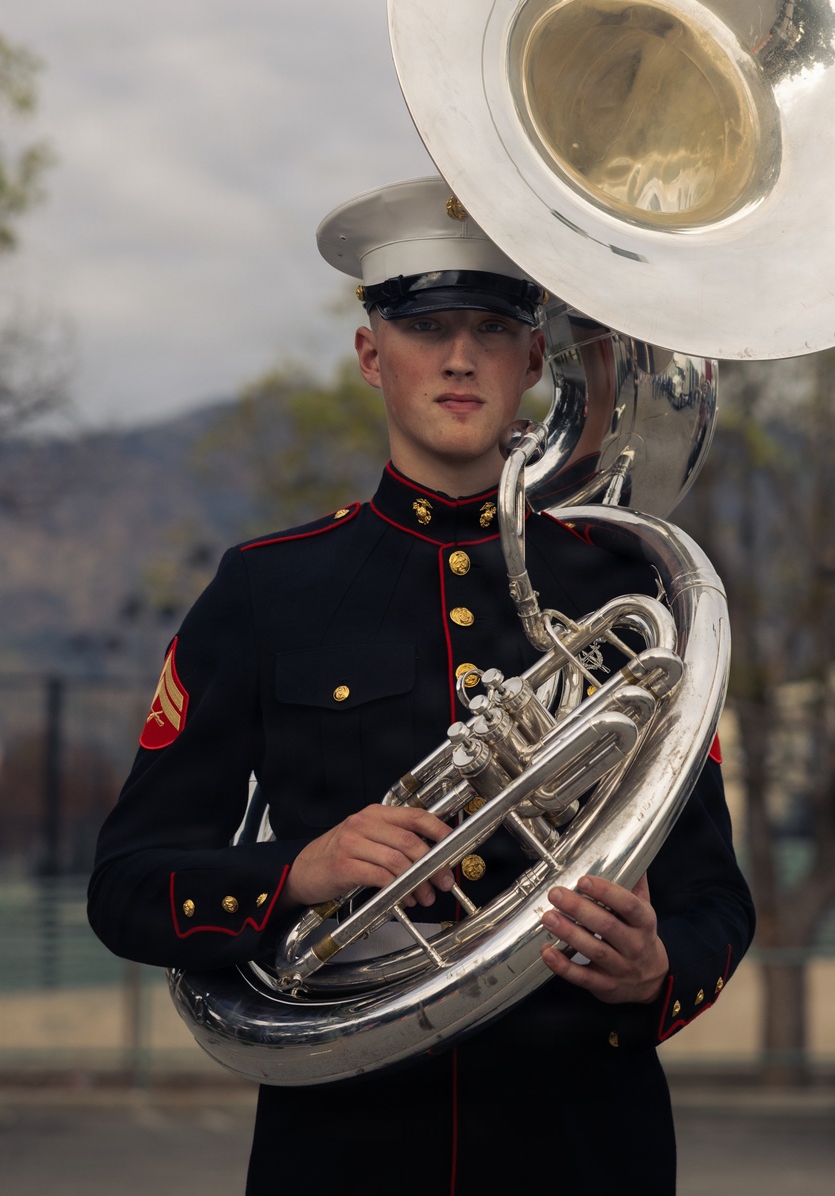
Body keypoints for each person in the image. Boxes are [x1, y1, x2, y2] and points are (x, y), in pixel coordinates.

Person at [88, 175, 755, 1195]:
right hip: (349, 1149)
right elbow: (128, 885)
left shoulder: (623, 585)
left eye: (490, 327)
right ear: (371, 354)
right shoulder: (269, 588)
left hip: (584, 1146)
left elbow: (715, 895)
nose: (457, 355)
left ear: (535, 357)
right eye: (425, 325)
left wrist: (660, 968)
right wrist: (298, 868)